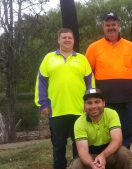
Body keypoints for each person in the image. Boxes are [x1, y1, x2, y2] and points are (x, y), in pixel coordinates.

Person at [34, 28, 93, 169]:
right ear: (58, 40)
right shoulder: (49, 58)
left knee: (79, 144)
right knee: (58, 146)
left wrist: (89, 103)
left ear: (73, 40)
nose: (67, 40)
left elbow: (90, 82)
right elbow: (41, 83)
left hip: (79, 110)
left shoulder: (82, 59)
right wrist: (43, 104)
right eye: (64, 37)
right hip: (56, 110)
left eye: (70, 37)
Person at [85, 12, 132, 149]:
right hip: (103, 102)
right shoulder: (93, 48)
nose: (111, 27)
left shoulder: (131, 47)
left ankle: (123, 157)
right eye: (107, 25)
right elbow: (87, 73)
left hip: (126, 100)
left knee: (126, 132)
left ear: (119, 26)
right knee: (106, 133)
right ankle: (107, 159)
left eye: (113, 24)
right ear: (103, 27)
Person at [69, 88, 131, 169]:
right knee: (76, 166)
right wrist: (92, 165)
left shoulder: (111, 114)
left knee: (123, 154)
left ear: (104, 103)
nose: (93, 106)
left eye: (97, 102)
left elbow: (117, 140)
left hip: (109, 153)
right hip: (90, 155)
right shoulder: (79, 122)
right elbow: (83, 152)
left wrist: (103, 156)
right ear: (84, 106)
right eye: (89, 103)